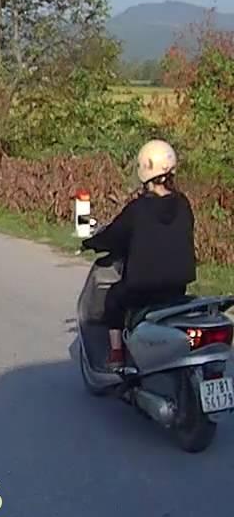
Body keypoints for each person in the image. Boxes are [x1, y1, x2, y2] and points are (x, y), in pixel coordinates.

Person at [82, 139, 196, 368]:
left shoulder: (138, 208)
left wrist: (91, 243)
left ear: (144, 168)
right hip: (177, 288)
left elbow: (114, 235)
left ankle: (116, 354)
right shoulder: (183, 203)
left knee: (113, 298)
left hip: (143, 290)